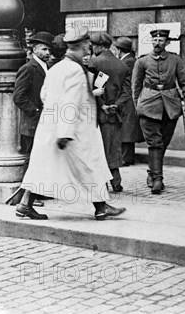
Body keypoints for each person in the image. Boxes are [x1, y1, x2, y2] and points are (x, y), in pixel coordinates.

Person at [17, 26, 126, 221]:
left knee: (43, 166)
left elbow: (44, 95)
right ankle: (101, 207)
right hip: (73, 130)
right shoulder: (76, 71)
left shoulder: (57, 67)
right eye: (87, 45)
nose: (88, 49)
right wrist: (66, 133)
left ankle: (25, 204)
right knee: (90, 165)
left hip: (51, 126)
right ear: (82, 45)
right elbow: (71, 102)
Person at [132, 29, 185, 194]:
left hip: (170, 107)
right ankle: (158, 178)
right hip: (148, 106)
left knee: (163, 142)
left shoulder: (175, 60)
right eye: (154, 40)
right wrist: (137, 105)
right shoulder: (142, 61)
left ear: (167, 42)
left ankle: (152, 173)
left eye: (161, 40)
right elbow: (136, 86)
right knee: (155, 143)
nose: (157, 43)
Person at [9, 31, 53, 211]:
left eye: (49, 49)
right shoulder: (28, 68)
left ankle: (37, 192)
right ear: (34, 49)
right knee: (31, 160)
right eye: (44, 49)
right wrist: (35, 111)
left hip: (42, 122)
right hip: (32, 123)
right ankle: (27, 197)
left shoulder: (45, 66)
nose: (47, 52)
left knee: (40, 158)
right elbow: (18, 96)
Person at [88, 31, 129, 193]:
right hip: (115, 114)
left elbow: (91, 88)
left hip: (97, 113)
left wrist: (103, 104)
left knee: (98, 149)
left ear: (98, 46)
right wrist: (115, 106)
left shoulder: (94, 62)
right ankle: (116, 182)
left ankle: (101, 183)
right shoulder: (122, 65)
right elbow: (127, 91)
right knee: (113, 147)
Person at [114, 37, 143, 166]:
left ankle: (126, 158)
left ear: (119, 49)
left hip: (127, 99)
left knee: (127, 129)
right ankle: (126, 157)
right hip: (129, 98)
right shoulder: (130, 60)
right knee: (127, 129)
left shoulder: (128, 62)